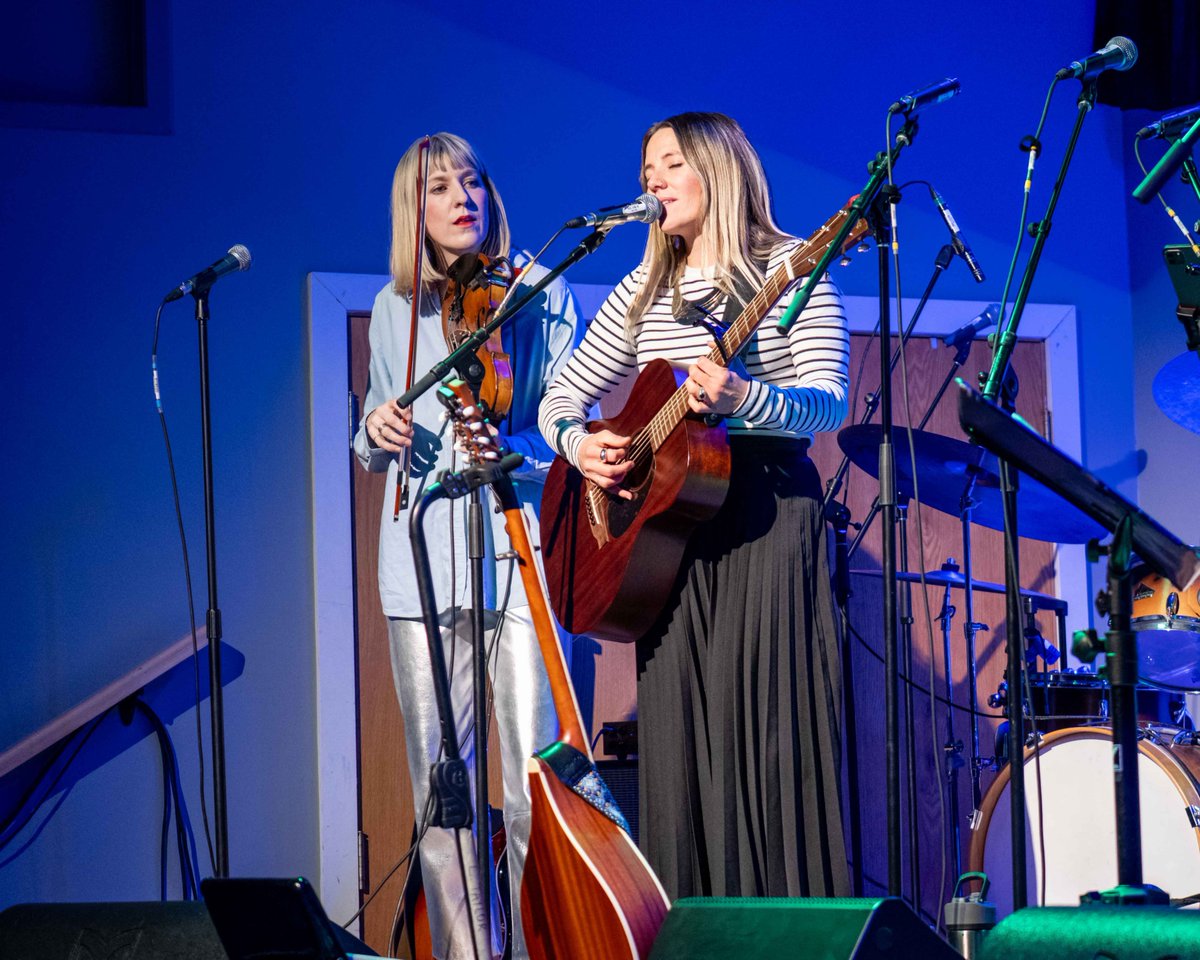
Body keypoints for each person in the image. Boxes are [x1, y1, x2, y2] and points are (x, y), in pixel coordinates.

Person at [538, 112, 850, 899]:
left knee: (769, 735)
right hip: (667, 539)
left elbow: (827, 404)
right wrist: (581, 448)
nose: (652, 179)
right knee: (680, 739)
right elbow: (559, 397)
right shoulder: (642, 288)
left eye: (670, 163)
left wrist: (746, 395)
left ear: (718, 170)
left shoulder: (793, 266)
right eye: (646, 168)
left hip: (766, 516)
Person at [354, 132, 581, 960]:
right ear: (412, 212)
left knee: (531, 787)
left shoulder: (539, 294)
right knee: (443, 796)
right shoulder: (392, 310)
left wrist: (513, 448)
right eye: (441, 187)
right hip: (417, 567)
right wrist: (375, 429)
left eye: (474, 181)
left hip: (515, 552)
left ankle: (540, 949)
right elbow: (375, 432)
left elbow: (570, 430)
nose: (463, 198)